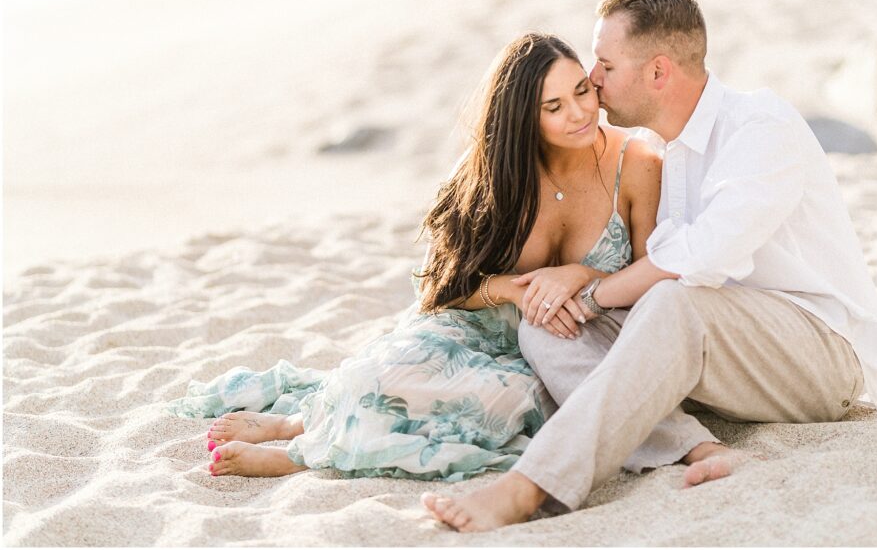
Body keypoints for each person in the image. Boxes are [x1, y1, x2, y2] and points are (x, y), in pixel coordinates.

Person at [422, 0, 877, 531]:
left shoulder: (760, 128)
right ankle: (700, 448)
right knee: (550, 326)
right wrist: (579, 285)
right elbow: (655, 275)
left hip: (824, 358)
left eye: (605, 64)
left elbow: (699, 259)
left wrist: (593, 290)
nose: (592, 80)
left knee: (674, 299)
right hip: (724, 355)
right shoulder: (664, 153)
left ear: (658, 72)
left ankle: (532, 487)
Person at [165, 32, 663, 480]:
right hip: (475, 323)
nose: (578, 113)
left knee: (498, 405)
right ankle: (299, 426)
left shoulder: (637, 164)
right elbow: (438, 285)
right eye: (552, 107)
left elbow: (652, 278)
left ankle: (300, 451)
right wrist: (506, 288)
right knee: (382, 377)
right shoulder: (494, 170)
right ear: (522, 118)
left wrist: (581, 273)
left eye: (581, 90)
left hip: (558, 343)